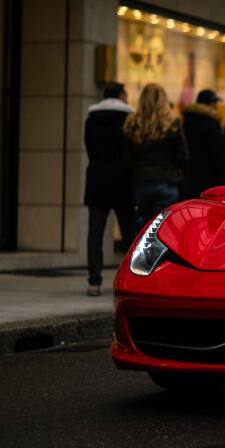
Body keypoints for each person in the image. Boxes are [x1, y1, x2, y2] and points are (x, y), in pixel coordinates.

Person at [83, 82, 134, 296]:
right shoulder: (127, 120)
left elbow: (88, 147)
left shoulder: (91, 120)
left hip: (96, 179)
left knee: (95, 234)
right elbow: (130, 153)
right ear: (121, 96)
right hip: (122, 180)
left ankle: (94, 281)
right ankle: (130, 281)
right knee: (129, 235)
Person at [125, 83, 188, 229]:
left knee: (146, 228)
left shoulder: (133, 123)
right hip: (167, 180)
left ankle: (146, 252)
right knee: (164, 230)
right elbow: (183, 155)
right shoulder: (172, 123)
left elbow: (127, 158)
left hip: (141, 181)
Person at [181, 89, 225, 198]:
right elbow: (219, 158)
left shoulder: (186, 124)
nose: (216, 106)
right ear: (210, 103)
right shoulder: (212, 126)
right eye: (215, 103)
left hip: (189, 182)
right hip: (210, 185)